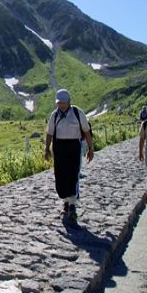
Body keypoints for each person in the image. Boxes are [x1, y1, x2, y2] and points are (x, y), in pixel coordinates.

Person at [45, 88, 94, 222]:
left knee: (73, 174)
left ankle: (72, 205)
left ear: (69, 101)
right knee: (60, 175)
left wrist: (91, 148)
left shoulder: (78, 113)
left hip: (73, 147)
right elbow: (49, 133)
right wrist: (47, 148)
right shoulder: (54, 115)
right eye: (59, 102)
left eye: (63, 102)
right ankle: (66, 200)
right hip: (59, 147)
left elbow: (87, 131)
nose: (60, 105)